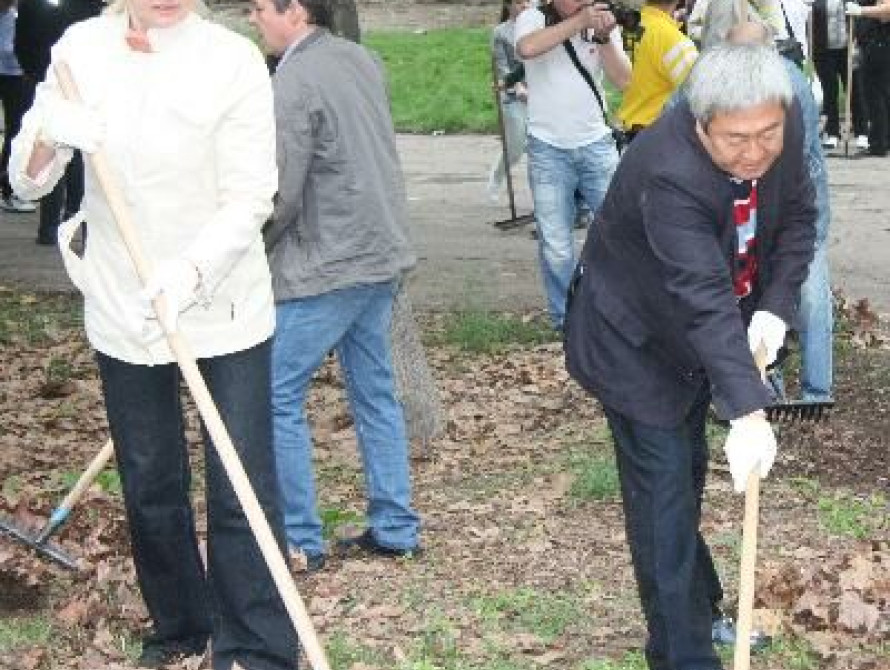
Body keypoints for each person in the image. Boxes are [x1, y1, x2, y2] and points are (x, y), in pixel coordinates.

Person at [8, 0, 300, 667]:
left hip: (223, 301)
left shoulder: (230, 61)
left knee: (242, 478)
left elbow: (252, 193)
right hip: (123, 300)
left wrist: (190, 271)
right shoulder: (79, 50)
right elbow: (27, 181)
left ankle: (254, 644)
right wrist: (52, 133)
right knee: (148, 477)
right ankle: (180, 625)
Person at [564, 43, 817, 670]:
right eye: (736, 139)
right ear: (700, 122)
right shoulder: (666, 169)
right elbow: (700, 297)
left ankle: (698, 610)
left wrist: (773, 309)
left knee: (683, 476)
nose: (755, 151)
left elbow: (800, 221)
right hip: (634, 345)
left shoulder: (779, 126)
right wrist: (749, 413)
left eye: (768, 134)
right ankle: (682, 655)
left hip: (704, 336)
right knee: (664, 504)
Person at [248, 0, 422, 571]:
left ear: (294, 11)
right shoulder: (360, 58)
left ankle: (299, 539)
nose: (254, 20)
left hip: (332, 264)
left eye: (258, 9)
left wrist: (247, 244)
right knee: (373, 390)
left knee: (274, 393)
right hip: (380, 254)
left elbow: (283, 191)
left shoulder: (292, 79)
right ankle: (395, 527)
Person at [702, 0, 833, 404]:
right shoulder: (717, 86)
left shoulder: (787, 86)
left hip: (793, 199)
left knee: (804, 286)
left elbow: (796, 160)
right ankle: (767, 381)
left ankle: (813, 390)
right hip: (758, 199)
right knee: (761, 289)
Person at [514, 0, 631, 329]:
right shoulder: (533, 18)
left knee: (618, 233)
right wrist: (578, 22)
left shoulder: (601, 21)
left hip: (596, 143)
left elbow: (624, 79)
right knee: (556, 245)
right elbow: (527, 47)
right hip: (547, 147)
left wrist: (604, 37)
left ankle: (620, 314)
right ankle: (566, 320)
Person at [14, 0, 102, 244]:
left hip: (74, 87)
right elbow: (22, 43)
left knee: (76, 160)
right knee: (61, 156)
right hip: (55, 86)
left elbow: (21, 44)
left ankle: (61, 224)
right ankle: (58, 225)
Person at [616, 0, 699, 141]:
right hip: (657, 135)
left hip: (631, 130)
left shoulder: (634, 23)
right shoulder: (672, 40)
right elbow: (702, 92)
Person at [487, 0, 531, 204]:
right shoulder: (500, 33)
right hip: (513, 97)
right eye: (520, 1)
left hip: (540, 94)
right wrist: (516, 87)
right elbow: (502, 65)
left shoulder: (536, 25)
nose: (525, 5)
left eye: (528, 1)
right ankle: (496, 178)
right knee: (515, 148)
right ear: (508, 5)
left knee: (541, 148)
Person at [813, 0, 870, 150]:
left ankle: (862, 133)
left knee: (854, 90)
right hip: (824, 51)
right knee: (830, 91)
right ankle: (832, 133)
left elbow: (861, 14)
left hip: (848, 49)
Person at [0, 0, 35, 213]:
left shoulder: (15, 14)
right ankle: (9, 191)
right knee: (16, 133)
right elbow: (7, 49)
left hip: (16, 76)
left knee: (16, 133)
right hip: (14, 76)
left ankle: (10, 189)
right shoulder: (12, 16)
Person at [848, 0, 890, 156]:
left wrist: (861, 10)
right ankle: (883, 140)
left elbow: (887, 11)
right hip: (872, 46)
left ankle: (878, 144)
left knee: (876, 98)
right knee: (882, 96)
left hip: (880, 46)